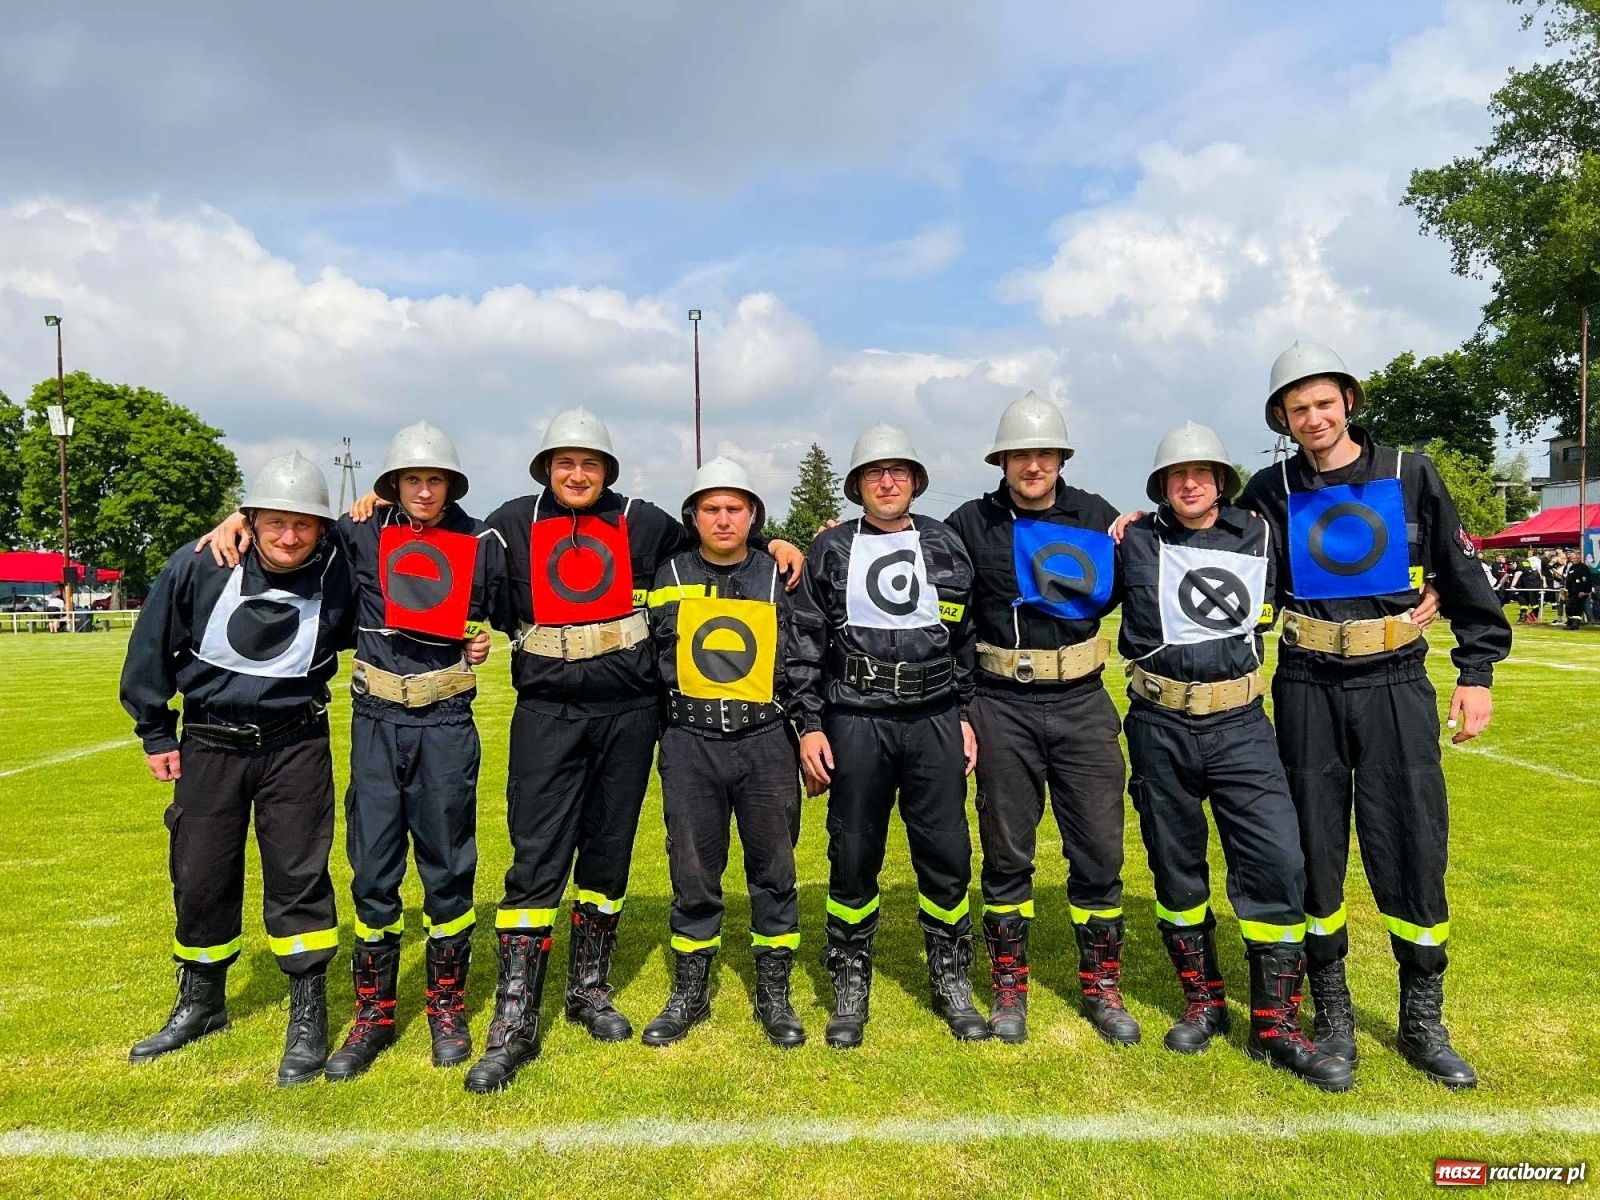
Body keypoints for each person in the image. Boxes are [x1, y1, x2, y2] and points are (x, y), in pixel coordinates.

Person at [462, 409, 802, 1093]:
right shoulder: (509, 519)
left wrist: (780, 541)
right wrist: (375, 508)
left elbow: (720, 533)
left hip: (629, 712)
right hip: (546, 710)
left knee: (609, 852)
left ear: (608, 471)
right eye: (565, 463)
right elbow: (438, 538)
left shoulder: (643, 523)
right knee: (536, 856)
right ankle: (514, 1017)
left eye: (590, 464)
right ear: (546, 468)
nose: (578, 474)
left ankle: (588, 990)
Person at [1241, 341, 1512, 1088]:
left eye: (1324, 403)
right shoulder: (1269, 488)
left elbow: (1463, 574)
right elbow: (1217, 556)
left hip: (1396, 681)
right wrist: (1142, 521)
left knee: (1410, 842)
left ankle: (1423, 1021)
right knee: (1314, 848)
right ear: (1282, 419)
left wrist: (1476, 671)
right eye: (1298, 409)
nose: (1314, 418)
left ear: (1348, 404)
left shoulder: (1407, 472)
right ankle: (1332, 1016)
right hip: (1305, 685)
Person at [198, 422, 502, 1079]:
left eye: (435, 478)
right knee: (372, 867)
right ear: (391, 483)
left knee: (449, 863)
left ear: (451, 483)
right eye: (411, 478)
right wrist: (237, 519)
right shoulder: (356, 530)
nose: (424, 489)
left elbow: (507, 608)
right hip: (376, 716)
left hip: (446, 716)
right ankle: (374, 1013)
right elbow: (291, 524)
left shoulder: (480, 540)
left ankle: (446, 1007)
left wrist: (481, 642)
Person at [1117, 422, 1349, 1090]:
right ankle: (1203, 1000)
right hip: (1159, 722)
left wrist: (1429, 587)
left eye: (1203, 473)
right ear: (1161, 486)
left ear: (1221, 480)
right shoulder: (1133, 538)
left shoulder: (1262, 532)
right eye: (1176, 475)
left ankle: (1275, 1022)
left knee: (1277, 858)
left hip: (1242, 723)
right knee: (1175, 863)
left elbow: (1341, 553)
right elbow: (1060, 576)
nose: (1190, 484)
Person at [119, 451, 355, 1086]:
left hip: (296, 744)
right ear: (250, 519)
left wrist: (375, 500)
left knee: (300, 878)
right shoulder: (203, 561)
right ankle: (201, 1003)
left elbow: (404, 536)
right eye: (274, 522)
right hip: (208, 744)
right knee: (199, 875)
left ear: (322, 529)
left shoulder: (340, 571)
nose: (288, 537)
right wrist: (153, 730)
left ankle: (308, 1016)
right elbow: (150, 644)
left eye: (303, 525)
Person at [942, 392, 1136, 1046]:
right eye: (1020, 454)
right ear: (1002, 460)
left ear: (1060, 457)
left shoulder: (1098, 517)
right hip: (1001, 702)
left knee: (1100, 847)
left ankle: (1100, 983)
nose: (1032, 464)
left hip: (1082, 698)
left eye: (1043, 453)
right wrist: (822, 541)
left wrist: (1151, 524)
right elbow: (914, 565)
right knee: (1006, 849)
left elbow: (1161, 564)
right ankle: (1009, 985)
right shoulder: (970, 521)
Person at [787, 424, 986, 1048]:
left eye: (899, 470)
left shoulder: (947, 545)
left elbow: (964, 639)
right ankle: (849, 974)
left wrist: (964, 713)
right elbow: (805, 645)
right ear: (856, 485)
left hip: (931, 717)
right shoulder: (831, 550)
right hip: (855, 718)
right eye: (875, 472)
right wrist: (810, 726)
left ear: (916, 480)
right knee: (852, 853)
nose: (888, 480)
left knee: (947, 851)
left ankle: (951, 974)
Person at [640, 457, 805, 1049]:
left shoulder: (778, 574)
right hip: (691, 742)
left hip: (765, 742)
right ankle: (691, 991)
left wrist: (807, 727)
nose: (723, 518)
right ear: (694, 516)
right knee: (692, 870)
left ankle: (775, 993)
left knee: (775, 870)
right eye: (711, 508)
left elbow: (804, 661)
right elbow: (653, 659)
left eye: (735, 507)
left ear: (753, 514)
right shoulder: (669, 575)